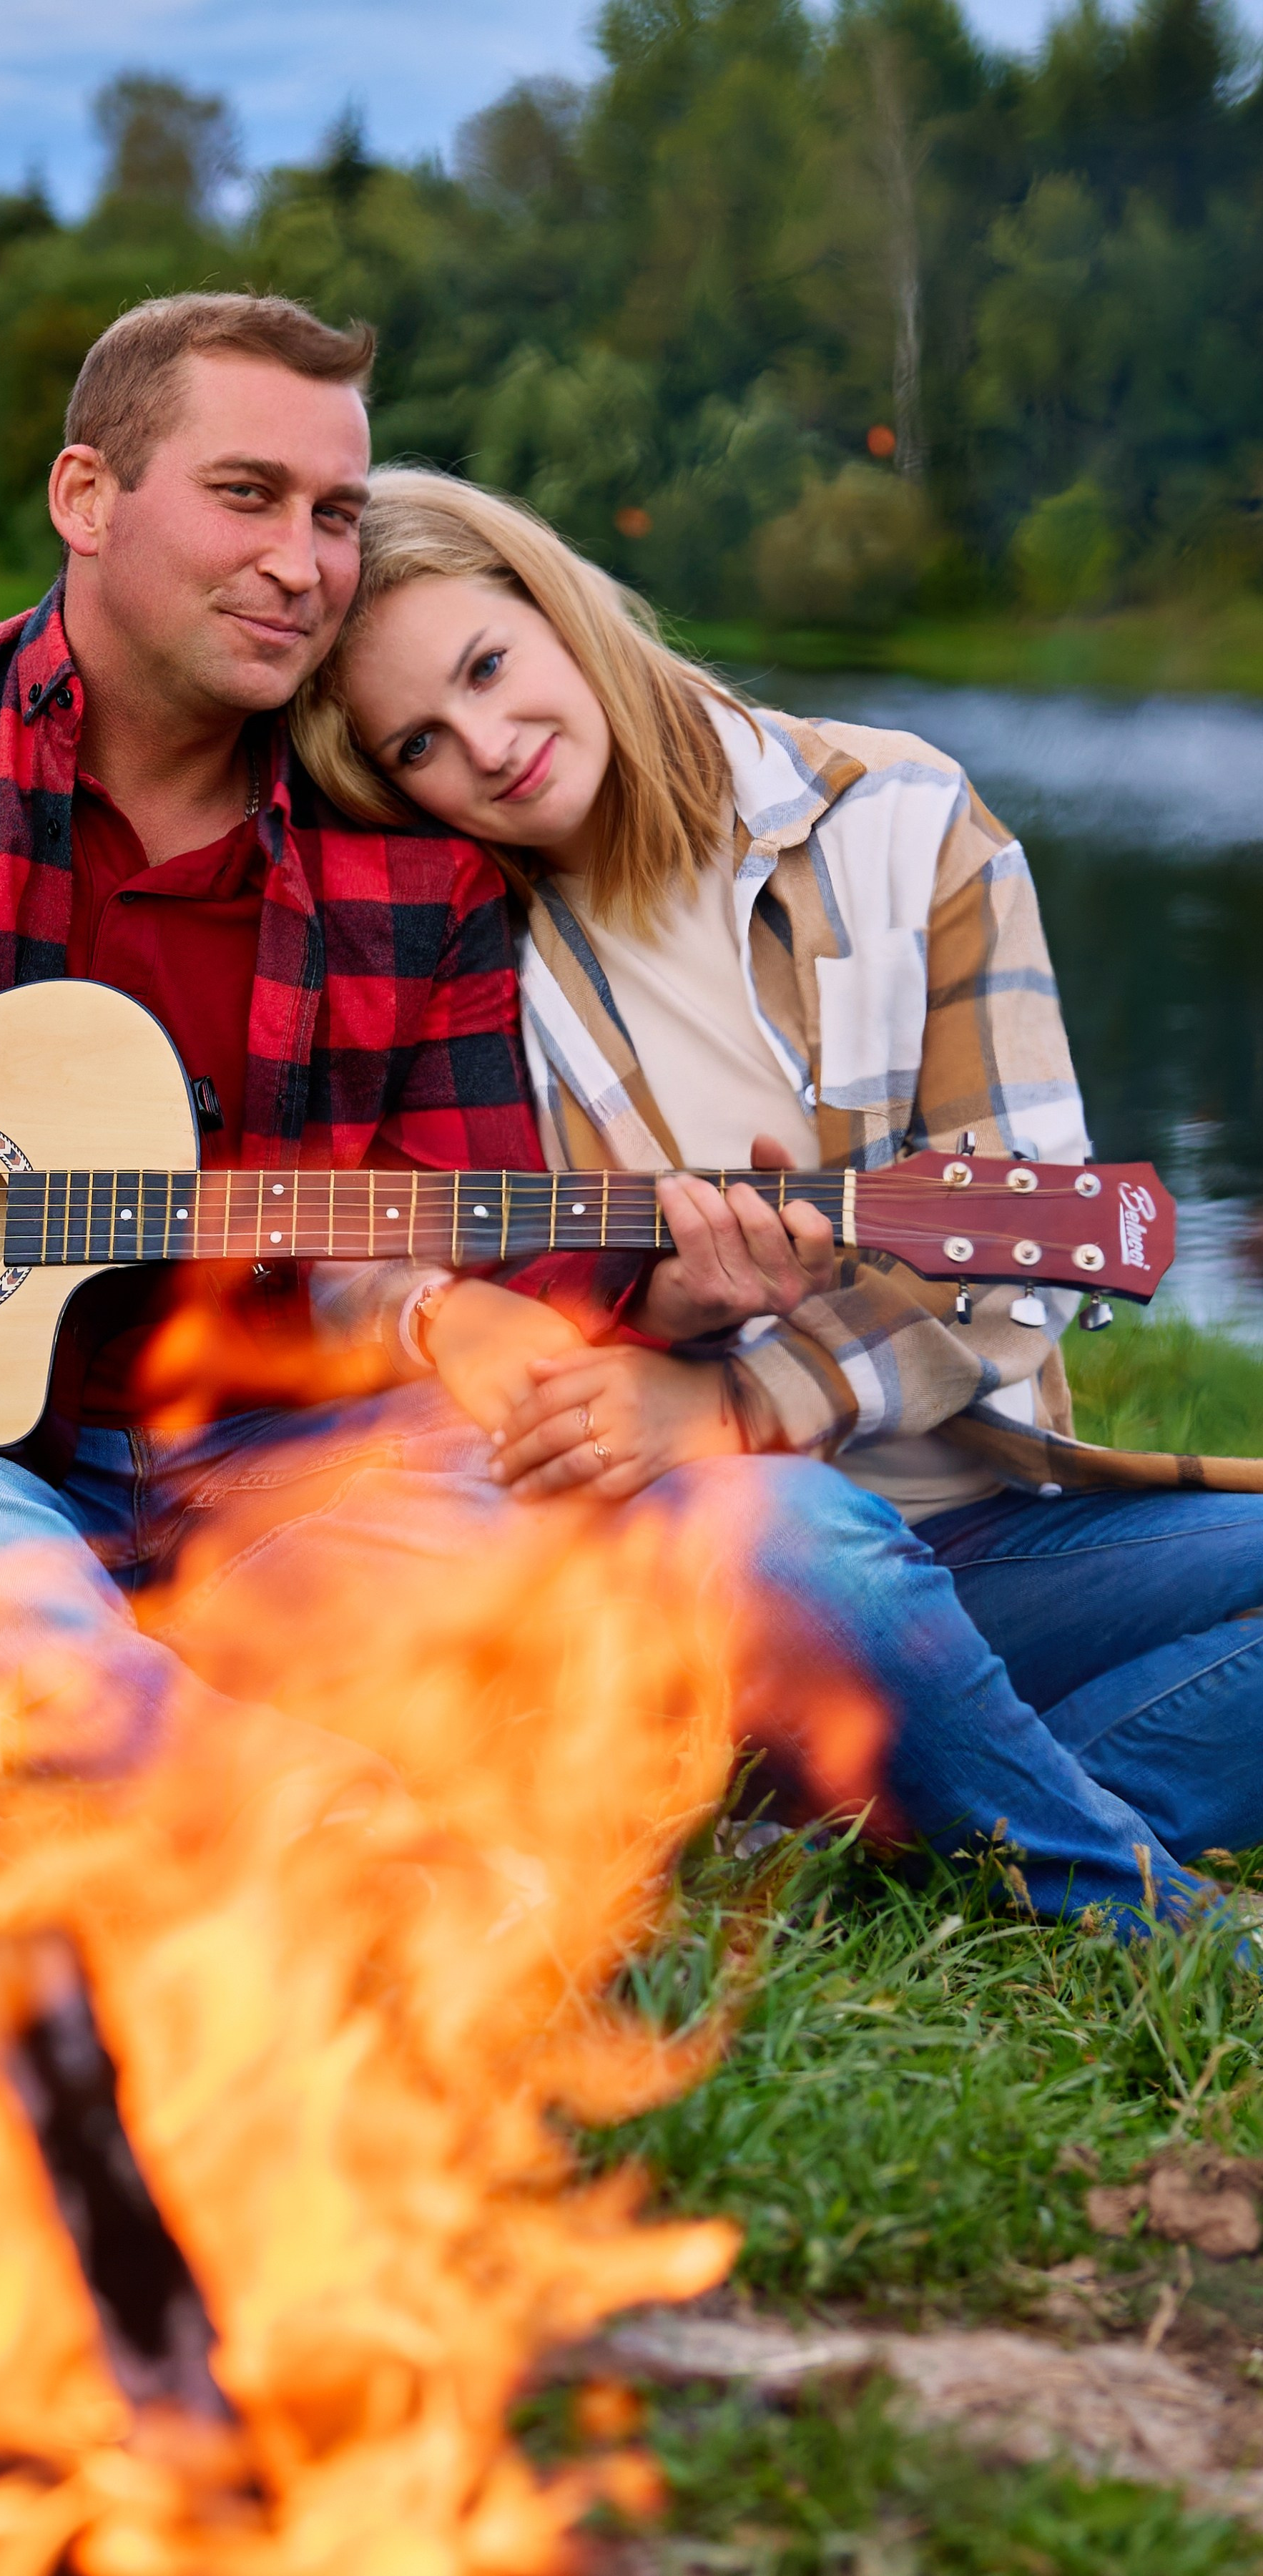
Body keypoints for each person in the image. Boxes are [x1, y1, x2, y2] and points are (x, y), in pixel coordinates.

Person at [0, 292, 831, 1738]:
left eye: (337, 513)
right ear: (88, 498)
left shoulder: (416, 872)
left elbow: (482, 1252)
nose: (301, 564)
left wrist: (674, 1290)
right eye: (247, 496)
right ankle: (291, 1820)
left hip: (265, 1467)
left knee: (575, 1558)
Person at [289, 464, 1263, 1931]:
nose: (488, 748)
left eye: (490, 666)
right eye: (419, 740)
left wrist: (744, 1398)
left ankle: (912, 1821)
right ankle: (1138, 1905)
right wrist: (655, 1325)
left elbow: (1025, 1268)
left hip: (995, 1520)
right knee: (806, 1538)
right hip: (716, 1574)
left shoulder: (903, 819)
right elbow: (353, 1248)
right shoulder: (453, 940)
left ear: (558, 604)